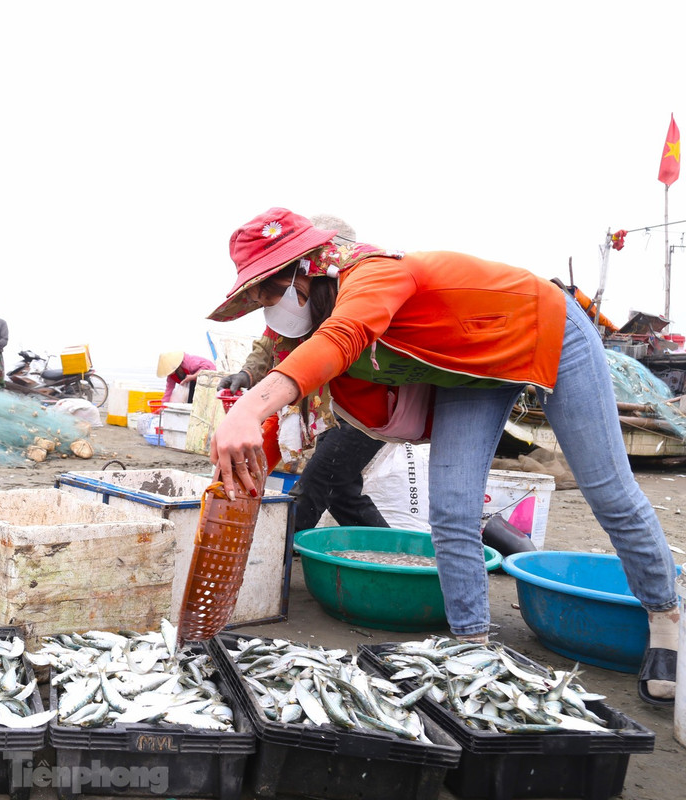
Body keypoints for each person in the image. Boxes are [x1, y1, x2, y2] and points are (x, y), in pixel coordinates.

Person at [208, 207, 679, 706]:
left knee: (607, 489)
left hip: (542, 325)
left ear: (304, 271)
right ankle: (472, 643)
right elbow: (294, 367)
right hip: (468, 368)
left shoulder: (373, 273)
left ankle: (665, 616)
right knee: (451, 507)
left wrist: (246, 414)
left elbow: (342, 338)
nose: (269, 310)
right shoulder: (304, 317)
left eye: (270, 293)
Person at [217, 214, 388, 530]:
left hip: (366, 403)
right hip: (334, 406)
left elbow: (334, 347)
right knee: (340, 488)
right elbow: (272, 343)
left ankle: (280, 552)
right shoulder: (297, 306)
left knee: (322, 482)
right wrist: (247, 374)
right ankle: (391, 559)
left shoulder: (357, 291)